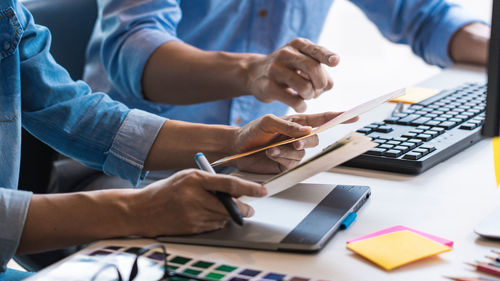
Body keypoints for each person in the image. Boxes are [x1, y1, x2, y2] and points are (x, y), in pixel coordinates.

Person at [0, 0, 356, 279]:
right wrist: (136, 211)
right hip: (101, 188)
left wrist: (234, 143)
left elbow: (72, 110)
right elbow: (131, 48)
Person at [84, 0, 490, 128]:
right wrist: (250, 72)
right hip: (131, 164)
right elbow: (132, 49)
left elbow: (425, 17)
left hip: (257, 163)